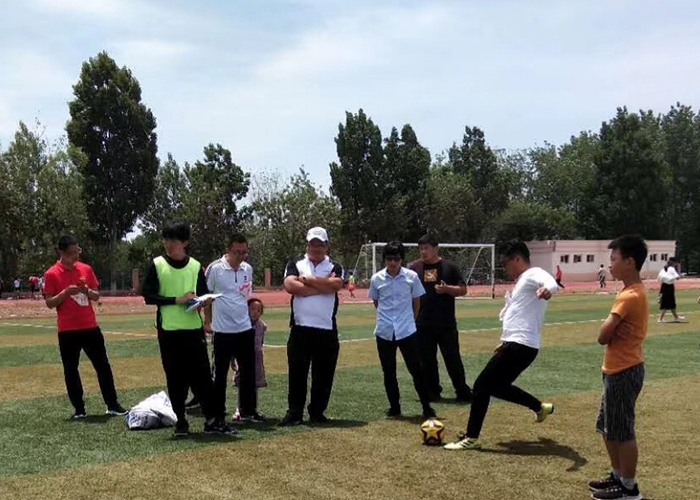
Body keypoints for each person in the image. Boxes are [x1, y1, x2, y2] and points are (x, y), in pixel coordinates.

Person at [444, 240, 557, 451]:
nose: (505, 268)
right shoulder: (522, 280)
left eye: (506, 263)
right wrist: (505, 342)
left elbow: (550, 281)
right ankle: (539, 407)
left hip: (521, 345)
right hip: (518, 344)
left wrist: (547, 290)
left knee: (481, 386)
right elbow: (518, 314)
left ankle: (471, 437)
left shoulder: (533, 274)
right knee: (497, 387)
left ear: (517, 259)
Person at [140, 222, 234, 437]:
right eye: (166, 240)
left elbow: (202, 292)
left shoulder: (195, 265)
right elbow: (148, 296)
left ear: (185, 243)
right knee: (175, 378)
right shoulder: (157, 264)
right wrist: (176, 300)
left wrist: (204, 301)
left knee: (202, 377)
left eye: (173, 240)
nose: (168, 244)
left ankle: (212, 420)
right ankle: (181, 421)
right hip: (169, 331)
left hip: (193, 330)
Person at [587, 235, 648, 500]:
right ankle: (618, 475)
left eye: (614, 259)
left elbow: (603, 335)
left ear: (630, 262)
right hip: (617, 369)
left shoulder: (630, 296)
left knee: (622, 430)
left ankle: (629, 487)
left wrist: (608, 327)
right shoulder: (631, 292)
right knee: (608, 427)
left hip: (625, 370)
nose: (610, 264)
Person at [43, 235, 126, 419]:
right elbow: (49, 303)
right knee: (71, 369)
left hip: (90, 327)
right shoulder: (51, 274)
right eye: (72, 253)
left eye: (77, 251)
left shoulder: (86, 269)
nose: (76, 256)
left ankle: (112, 404)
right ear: (62, 252)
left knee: (103, 366)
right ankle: (79, 409)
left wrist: (86, 290)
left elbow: (96, 296)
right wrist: (65, 293)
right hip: (67, 331)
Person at [280, 226, 344, 426]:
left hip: (326, 328)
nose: (316, 248)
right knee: (297, 372)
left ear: (327, 246)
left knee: (323, 374)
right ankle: (294, 412)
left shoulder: (335, 266)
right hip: (300, 327)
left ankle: (317, 412)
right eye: (312, 244)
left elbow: (336, 285)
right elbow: (290, 286)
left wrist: (307, 280)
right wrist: (323, 286)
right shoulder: (295, 264)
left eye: (320, 244)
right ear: (307, 245)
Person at [369, 242, 436, 419]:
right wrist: (387, 318)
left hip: (406, 330)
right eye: (389, 259)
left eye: (396, 259)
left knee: (416, 369)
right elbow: (377, 302)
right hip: (385, 331)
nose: (393, 262)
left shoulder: (411, 277)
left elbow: (416, 302)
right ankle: (394, 407)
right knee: (388, 371)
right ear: (384, 259)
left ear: (402, 259)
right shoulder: (376, 279)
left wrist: (410, 320)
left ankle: (426, 406)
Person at [204, 233, 263, 423]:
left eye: (244, 252)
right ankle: (218, 414)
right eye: (237, 252)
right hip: (223, 330)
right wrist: (207, 322)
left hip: (244, 328)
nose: (240, 256)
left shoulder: (247, 269)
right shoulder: (215, 268)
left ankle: (248, 412)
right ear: (228, 250)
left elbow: (245, 295)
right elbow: (206, 297)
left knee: (248, 372)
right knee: (220, 375)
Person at [409, 234, 473, 402]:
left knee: (452, 358)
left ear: (436, 248)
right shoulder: (414, 268)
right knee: (427, 360)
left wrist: (447, 289)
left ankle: (462, 391)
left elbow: (463, 289)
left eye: (426, 248)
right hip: (422, 322)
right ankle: (432, 391)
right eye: (420, 249)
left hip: (446, 323)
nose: (423, 252)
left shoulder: (449, 267)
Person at [232, 298, 268, 421]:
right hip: (243, 359)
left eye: (258, 310)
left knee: (255, 385)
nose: (255, 312)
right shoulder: (242, 325)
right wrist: (233, 359)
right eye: (252, 309)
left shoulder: (262, 326)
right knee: (242, 383)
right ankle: (239, 409)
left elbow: (260, 343)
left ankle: (253, 409)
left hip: (257, 360)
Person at [657, 258, 685, 323]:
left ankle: (676, 317)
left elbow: (659, 278)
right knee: (666, 303)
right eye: (676, 262)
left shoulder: (664, 268)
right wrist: (681, 275)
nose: (676, 264)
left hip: (664, 286)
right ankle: (660, 319)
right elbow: (677, 277)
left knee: (671, 302)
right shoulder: (671, 268)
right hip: (668, 287)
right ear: (673, 263)